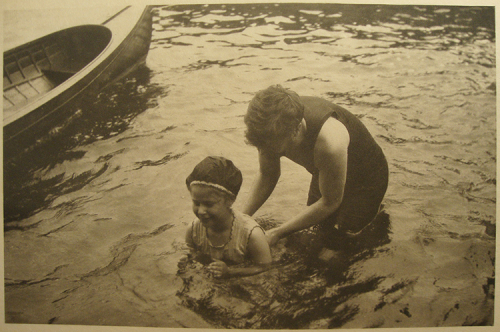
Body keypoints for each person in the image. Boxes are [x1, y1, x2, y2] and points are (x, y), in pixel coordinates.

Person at [242, 85, 389, 247]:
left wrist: (277, 233)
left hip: (366, 179)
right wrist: (241, 219)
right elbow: (267, 174)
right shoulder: (268, 130)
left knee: (341, 243)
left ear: (296, 130)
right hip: (326, 170)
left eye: (274, 149)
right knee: (316, 231)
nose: (267, 152)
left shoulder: (329, 142)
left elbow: (329, 202)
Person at [183, 156, 272, 278]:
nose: (201, 211)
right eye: (196, 203)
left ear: (230, 201)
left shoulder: (252, 235)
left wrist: (230, 272)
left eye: (209, 204)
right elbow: (191, 254)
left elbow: (265, 267)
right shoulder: (193, 230)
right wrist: (186, 263)